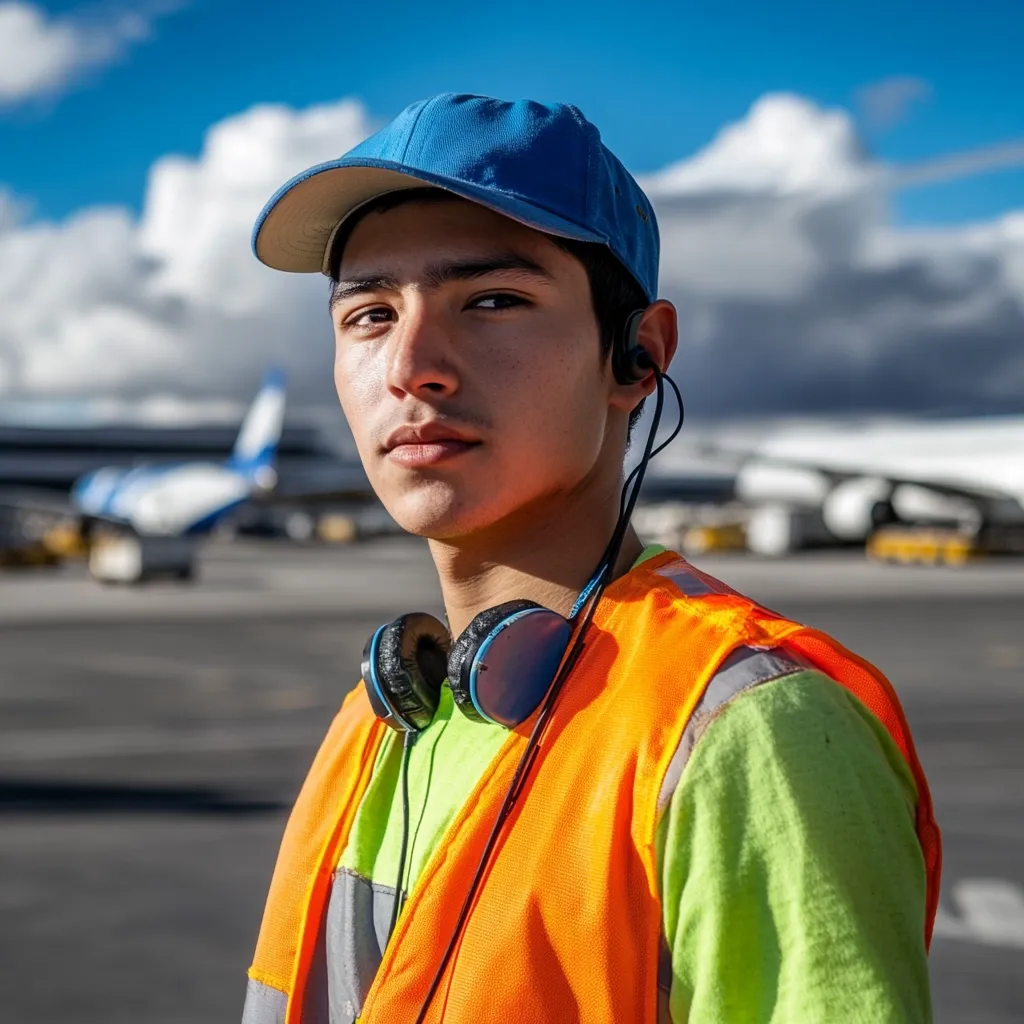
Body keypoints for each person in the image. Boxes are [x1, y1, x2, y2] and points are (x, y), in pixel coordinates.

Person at [242, 94, 940, 1024]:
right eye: (369, 314)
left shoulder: (751, 731)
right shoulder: (383, 722)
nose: (412, 364)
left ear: (637, 356)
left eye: (493, 301)